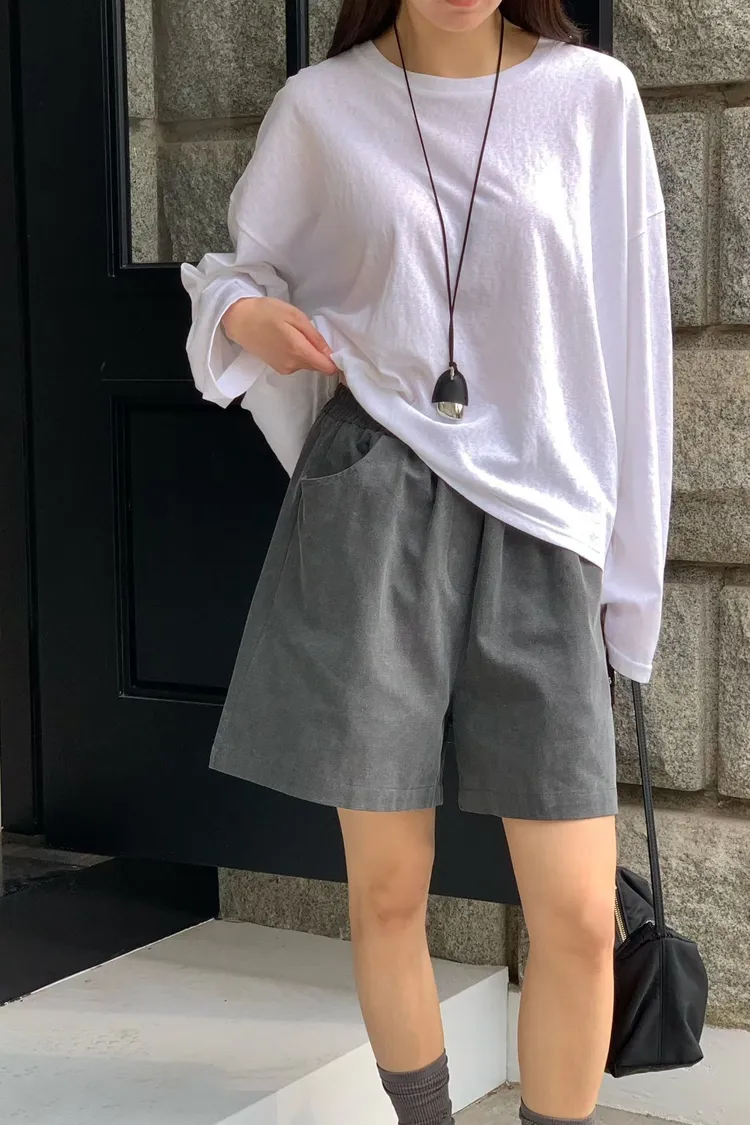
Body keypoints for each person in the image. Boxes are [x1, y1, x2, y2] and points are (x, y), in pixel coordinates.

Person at [182, 1, 673, 1123]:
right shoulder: (323, 107)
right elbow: (233, 273)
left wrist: (631, 589)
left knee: (580, 914)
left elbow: (638, 346)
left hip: (545, 521)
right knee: (390, 891)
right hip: (377, 509)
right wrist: (247, 316)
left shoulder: (592, 99)